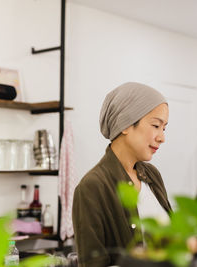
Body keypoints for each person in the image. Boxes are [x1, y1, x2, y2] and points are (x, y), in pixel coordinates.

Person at [72, 82, 172, 267]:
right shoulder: (92, 187)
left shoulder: (152, 175)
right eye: (156, 125)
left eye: (164, 128)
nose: (162, 137)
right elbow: (93, 263)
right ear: (125, 124)